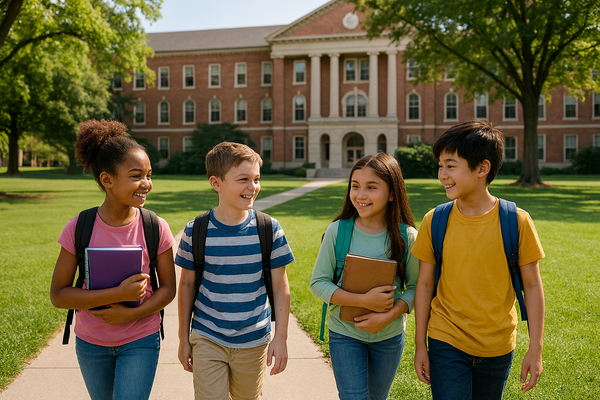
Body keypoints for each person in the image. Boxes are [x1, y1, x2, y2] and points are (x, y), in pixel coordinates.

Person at [411, 120, 546, 400]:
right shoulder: (434, 220)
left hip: (497, 345)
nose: (442, 175)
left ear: (482, 168)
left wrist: (536, 348)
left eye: (450, 166)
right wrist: (420, 344)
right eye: (440, 166)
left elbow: (532, 286)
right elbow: (424, 286)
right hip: (446, 339)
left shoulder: (517, 221)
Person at [50, 119, 177, 400]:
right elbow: (59, 295)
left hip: (141, 338)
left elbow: (168, 288)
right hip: (91, 342)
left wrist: (130, 313)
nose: (147, 183)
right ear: (107, 180)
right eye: (136, 175)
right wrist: (118, 294)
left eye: (149, 174)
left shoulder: (155, 227)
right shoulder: (79, 227)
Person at [176, 142, 295, 400]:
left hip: (253, 340)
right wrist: (183, 338)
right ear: (216, 183)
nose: (252, 187)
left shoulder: (269, 229)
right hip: (208, 335)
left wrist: (281, 338)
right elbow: (186, 286)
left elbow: (280, 286)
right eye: (243, 179)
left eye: (256, 179)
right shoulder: (195, 231)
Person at [310, 152, 418, 400]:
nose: (360, 195)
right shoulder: (338, 230)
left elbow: (415, 288)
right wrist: (363, 301)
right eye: (355, 186)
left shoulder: (407, 236)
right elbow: (318, 283)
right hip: (344, 334)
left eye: (372, 187)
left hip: (389, 337)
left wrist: (389, 315)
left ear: (392, 193)